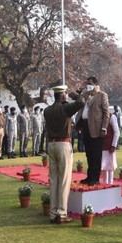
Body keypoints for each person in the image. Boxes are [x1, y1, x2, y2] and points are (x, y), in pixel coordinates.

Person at [43, 85, 85, 224]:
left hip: (51, 144)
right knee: (64, 180)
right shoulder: (65, 108)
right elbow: (81, 102)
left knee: (53, 179)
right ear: (62, 96)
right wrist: (75, 95)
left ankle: (53, 212)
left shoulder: (47, 110)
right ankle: (61, 213)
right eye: (65, 94)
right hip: (63, 144)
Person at [80, 76, 109, 185]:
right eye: (87, 83)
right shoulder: (86, 95)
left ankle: (95, 178)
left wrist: (104, 128)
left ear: (96, 84)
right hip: (86, 126)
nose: (88, 85)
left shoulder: (102, 95)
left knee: (96, 154)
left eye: (90, 83)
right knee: (88, 153)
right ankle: (89, 176)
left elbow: (106, 113)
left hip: (97, 128)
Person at [100, 112, 120, 185]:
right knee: (103, 166)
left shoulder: (112, 116)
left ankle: (110, 183)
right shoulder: (99, 115)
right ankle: (105, 183)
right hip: (102, 145)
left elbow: (117, 132)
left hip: (109, 146)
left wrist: (114, 145)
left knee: (110, 166)